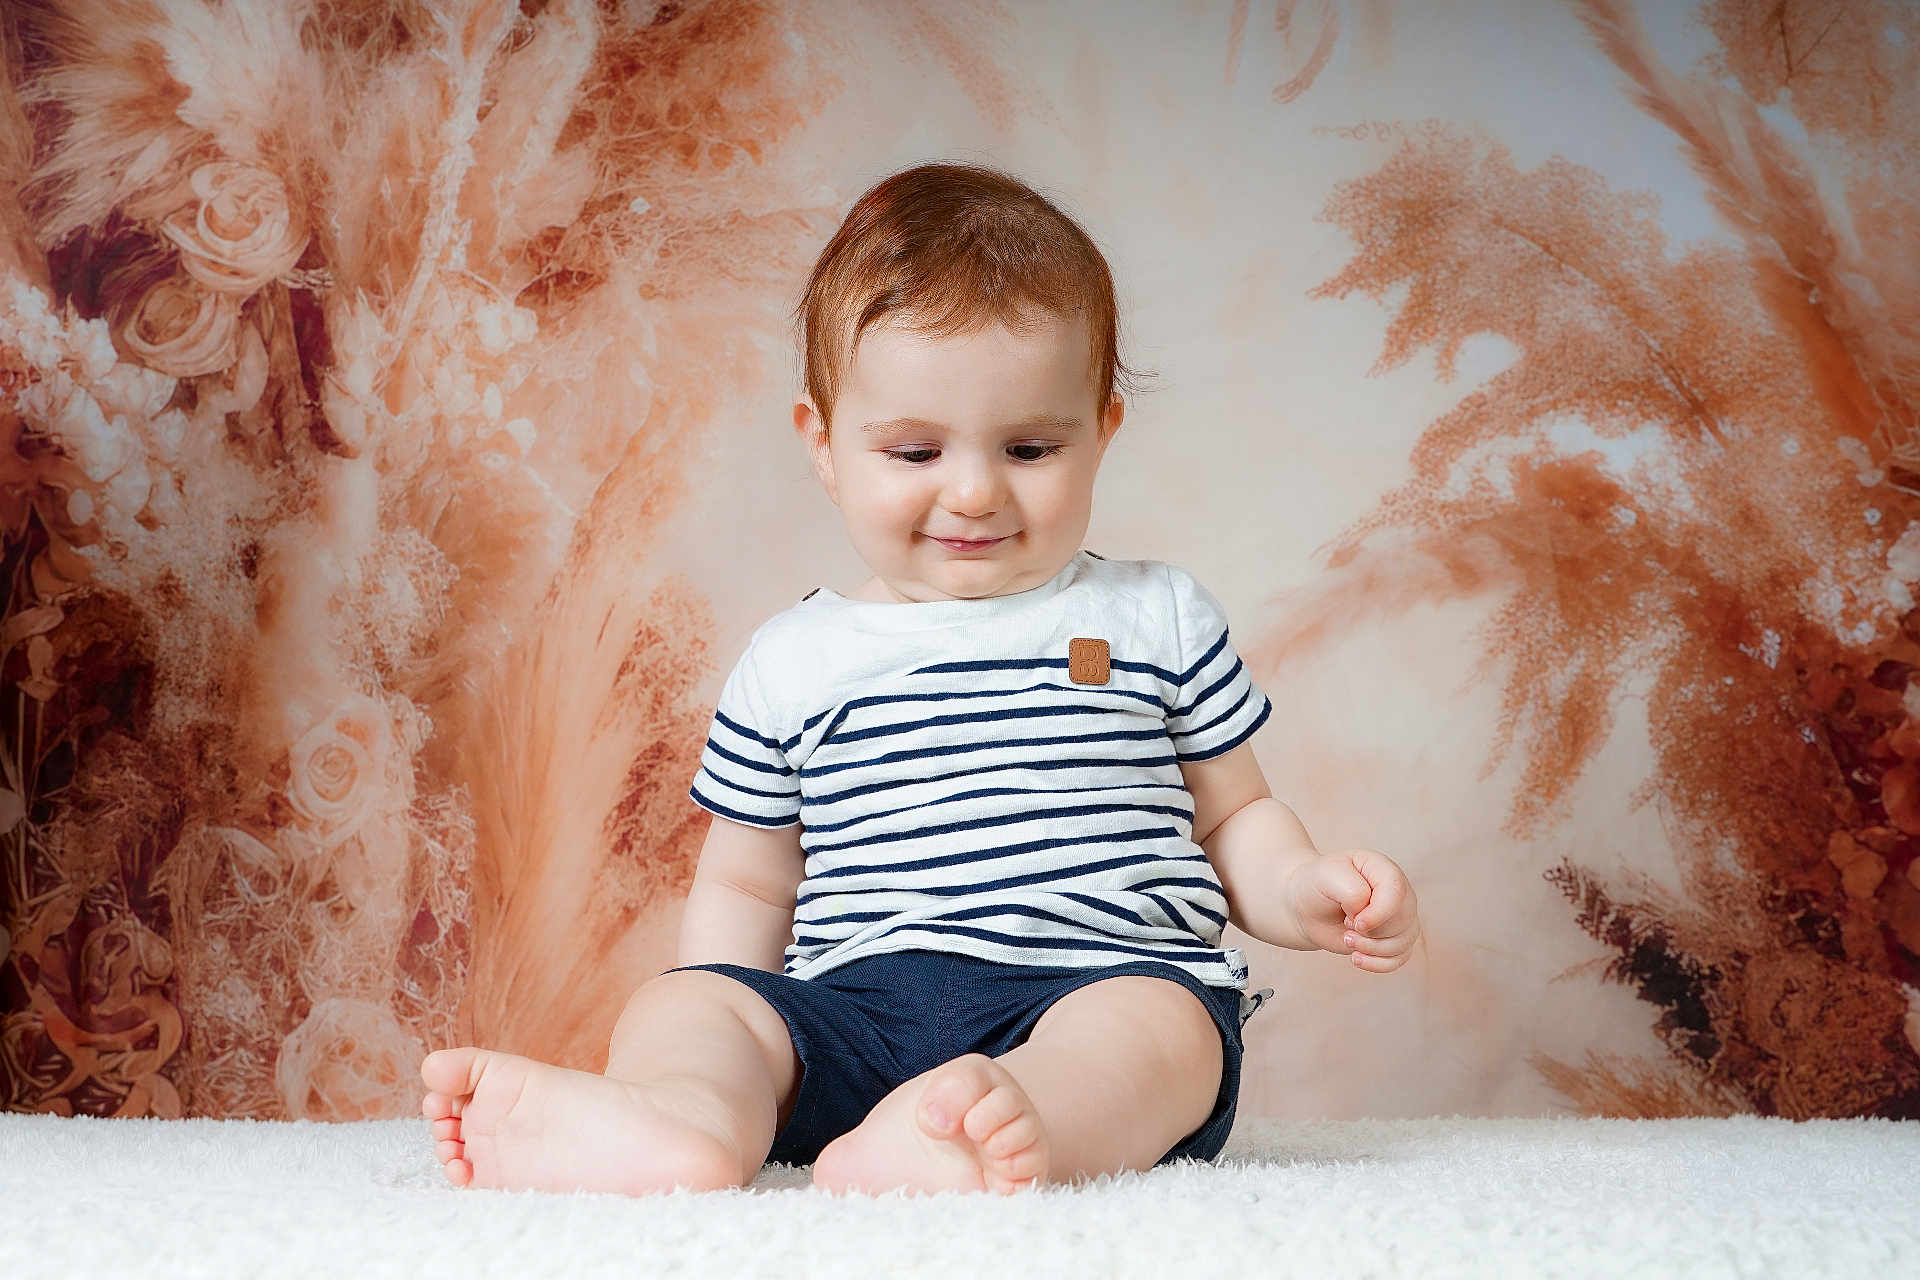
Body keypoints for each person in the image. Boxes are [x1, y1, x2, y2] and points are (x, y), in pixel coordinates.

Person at [419, 161, 1422, 1197]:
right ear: (824, 445)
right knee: (686, 1007)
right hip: (856, 1012)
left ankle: (1005, 1122)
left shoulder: (1154, 616)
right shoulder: (793, 660)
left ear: (1103, 431)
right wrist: (730, 999)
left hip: (1092, 983)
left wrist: (1305, 890)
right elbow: (747, 875)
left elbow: (1236, 817)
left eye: (1031, 445)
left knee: (1161, 1031)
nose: (977, 489)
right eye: (914, 450)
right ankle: (689, 1114)